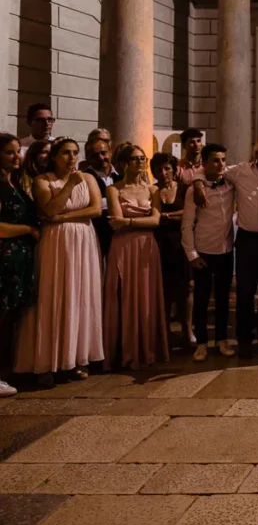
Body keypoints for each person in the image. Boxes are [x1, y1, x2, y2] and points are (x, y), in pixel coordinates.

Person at [15, 137, 104, 386]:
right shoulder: (43, 181)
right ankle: (47, 361)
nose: (72, 157)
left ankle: (74, 359)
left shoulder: (87, 178)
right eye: (66, 153)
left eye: (75, 152)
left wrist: (64, 216)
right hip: (56, 243)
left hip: (83, 240)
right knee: (53, 296)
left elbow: (96, 210)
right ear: (54, 156)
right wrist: (67, 188)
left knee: (79, 296)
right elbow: (49, 210)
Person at [193, 135, 258, 358]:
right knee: (245, 294)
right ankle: (245, 340)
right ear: (257, 154)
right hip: (247, 241)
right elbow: (212, 171)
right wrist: (197, 182)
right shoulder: (240, 171)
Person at [102, 144, 169, 370]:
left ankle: (147, 348)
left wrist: (128, 222)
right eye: (135, 159)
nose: (140, 162)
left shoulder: (153, 191)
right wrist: (134, 222)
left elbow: (156, 221)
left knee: (146, 295)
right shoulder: (114, 190)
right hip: (123, 246)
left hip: (147, 245)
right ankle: (125, 351)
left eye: (143, 158)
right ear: (123, 163)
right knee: (124, 295)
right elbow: (115, 221)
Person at [182, 144, 236, 362]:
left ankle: (222, 340)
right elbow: (187, 224)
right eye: (215, 160)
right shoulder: (193, 190)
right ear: (204, 163)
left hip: (226, 249)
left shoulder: (231, 183)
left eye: (223, 159)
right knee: (202, 299)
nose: (220, 164)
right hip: (203, 250)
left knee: (224, 299)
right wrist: (192, 255)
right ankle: (202, 343)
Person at [0, 133, 39, 397]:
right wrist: (27, 228)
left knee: (10, 318)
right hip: (4, 257)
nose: (17, 157)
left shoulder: (13, 182)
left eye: (17, 152)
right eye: (9, 153)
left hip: (19, 258)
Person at [151, 153, 191, 345]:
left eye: (167, 168)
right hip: (159, 243)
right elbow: (153, 216)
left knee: (186, 287)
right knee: (164, 289)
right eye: (159, 170)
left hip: (182, 242)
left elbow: (189, 213)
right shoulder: (153, 191)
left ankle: (187, 329)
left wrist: (166, 216)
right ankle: (164, 330)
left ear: (174, 170)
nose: (163, 173)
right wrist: (170, 216)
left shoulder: (184, 189)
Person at [81, 135, 120, 257]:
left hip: (119, 235)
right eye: (94, 155)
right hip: (94, 235)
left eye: (103, 153)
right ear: (87, 157)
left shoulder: (122, 177)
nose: (100, 158)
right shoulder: (83, 178)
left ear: (110, 152)